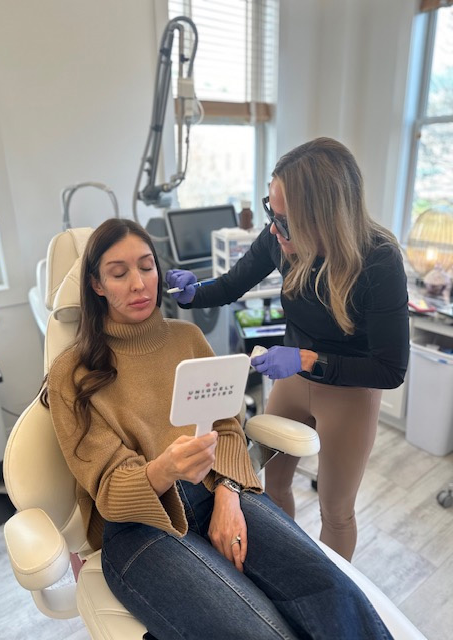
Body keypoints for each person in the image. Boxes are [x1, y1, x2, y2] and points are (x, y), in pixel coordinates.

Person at [42, 218, 394, 640]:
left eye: (147, 266)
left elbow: (228, 427)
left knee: (334, 592)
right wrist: (163, 470)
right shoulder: (72, 373)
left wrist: (228, 492)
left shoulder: (186, 338)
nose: (138, 284)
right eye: (119, 273)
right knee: (259, 630)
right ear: (97, 285)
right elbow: (111, 495)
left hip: (215, 492)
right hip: (139, 528)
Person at [166, 137, 410, 562]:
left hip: (350, 391)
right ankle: (288, 566)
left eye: (286, 221)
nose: (274, 230)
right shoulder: (280, 236)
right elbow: (230, 284)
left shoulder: (379, 261)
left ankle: (331, 599)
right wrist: (191, 294)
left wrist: (305, 359)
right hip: (294, 381)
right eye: (271, 213)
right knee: (269, 485)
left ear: (327, 220)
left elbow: (390, 370)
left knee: (336, 511)